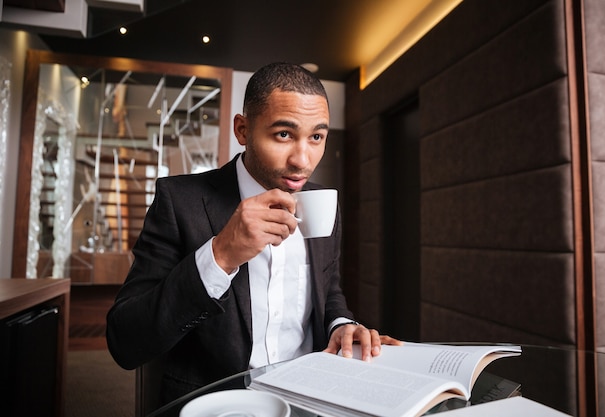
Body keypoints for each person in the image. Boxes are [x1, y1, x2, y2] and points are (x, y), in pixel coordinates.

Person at [106, 62, 401, 405]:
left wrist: (340, 325)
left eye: (316, 137)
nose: (303, 160)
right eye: (284, 134)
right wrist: (220, 255)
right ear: (243, 130)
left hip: (311, 395)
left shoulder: (322, 202)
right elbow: (125, 342)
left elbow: (329, 289)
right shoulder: (179, 202)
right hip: (215, 404)